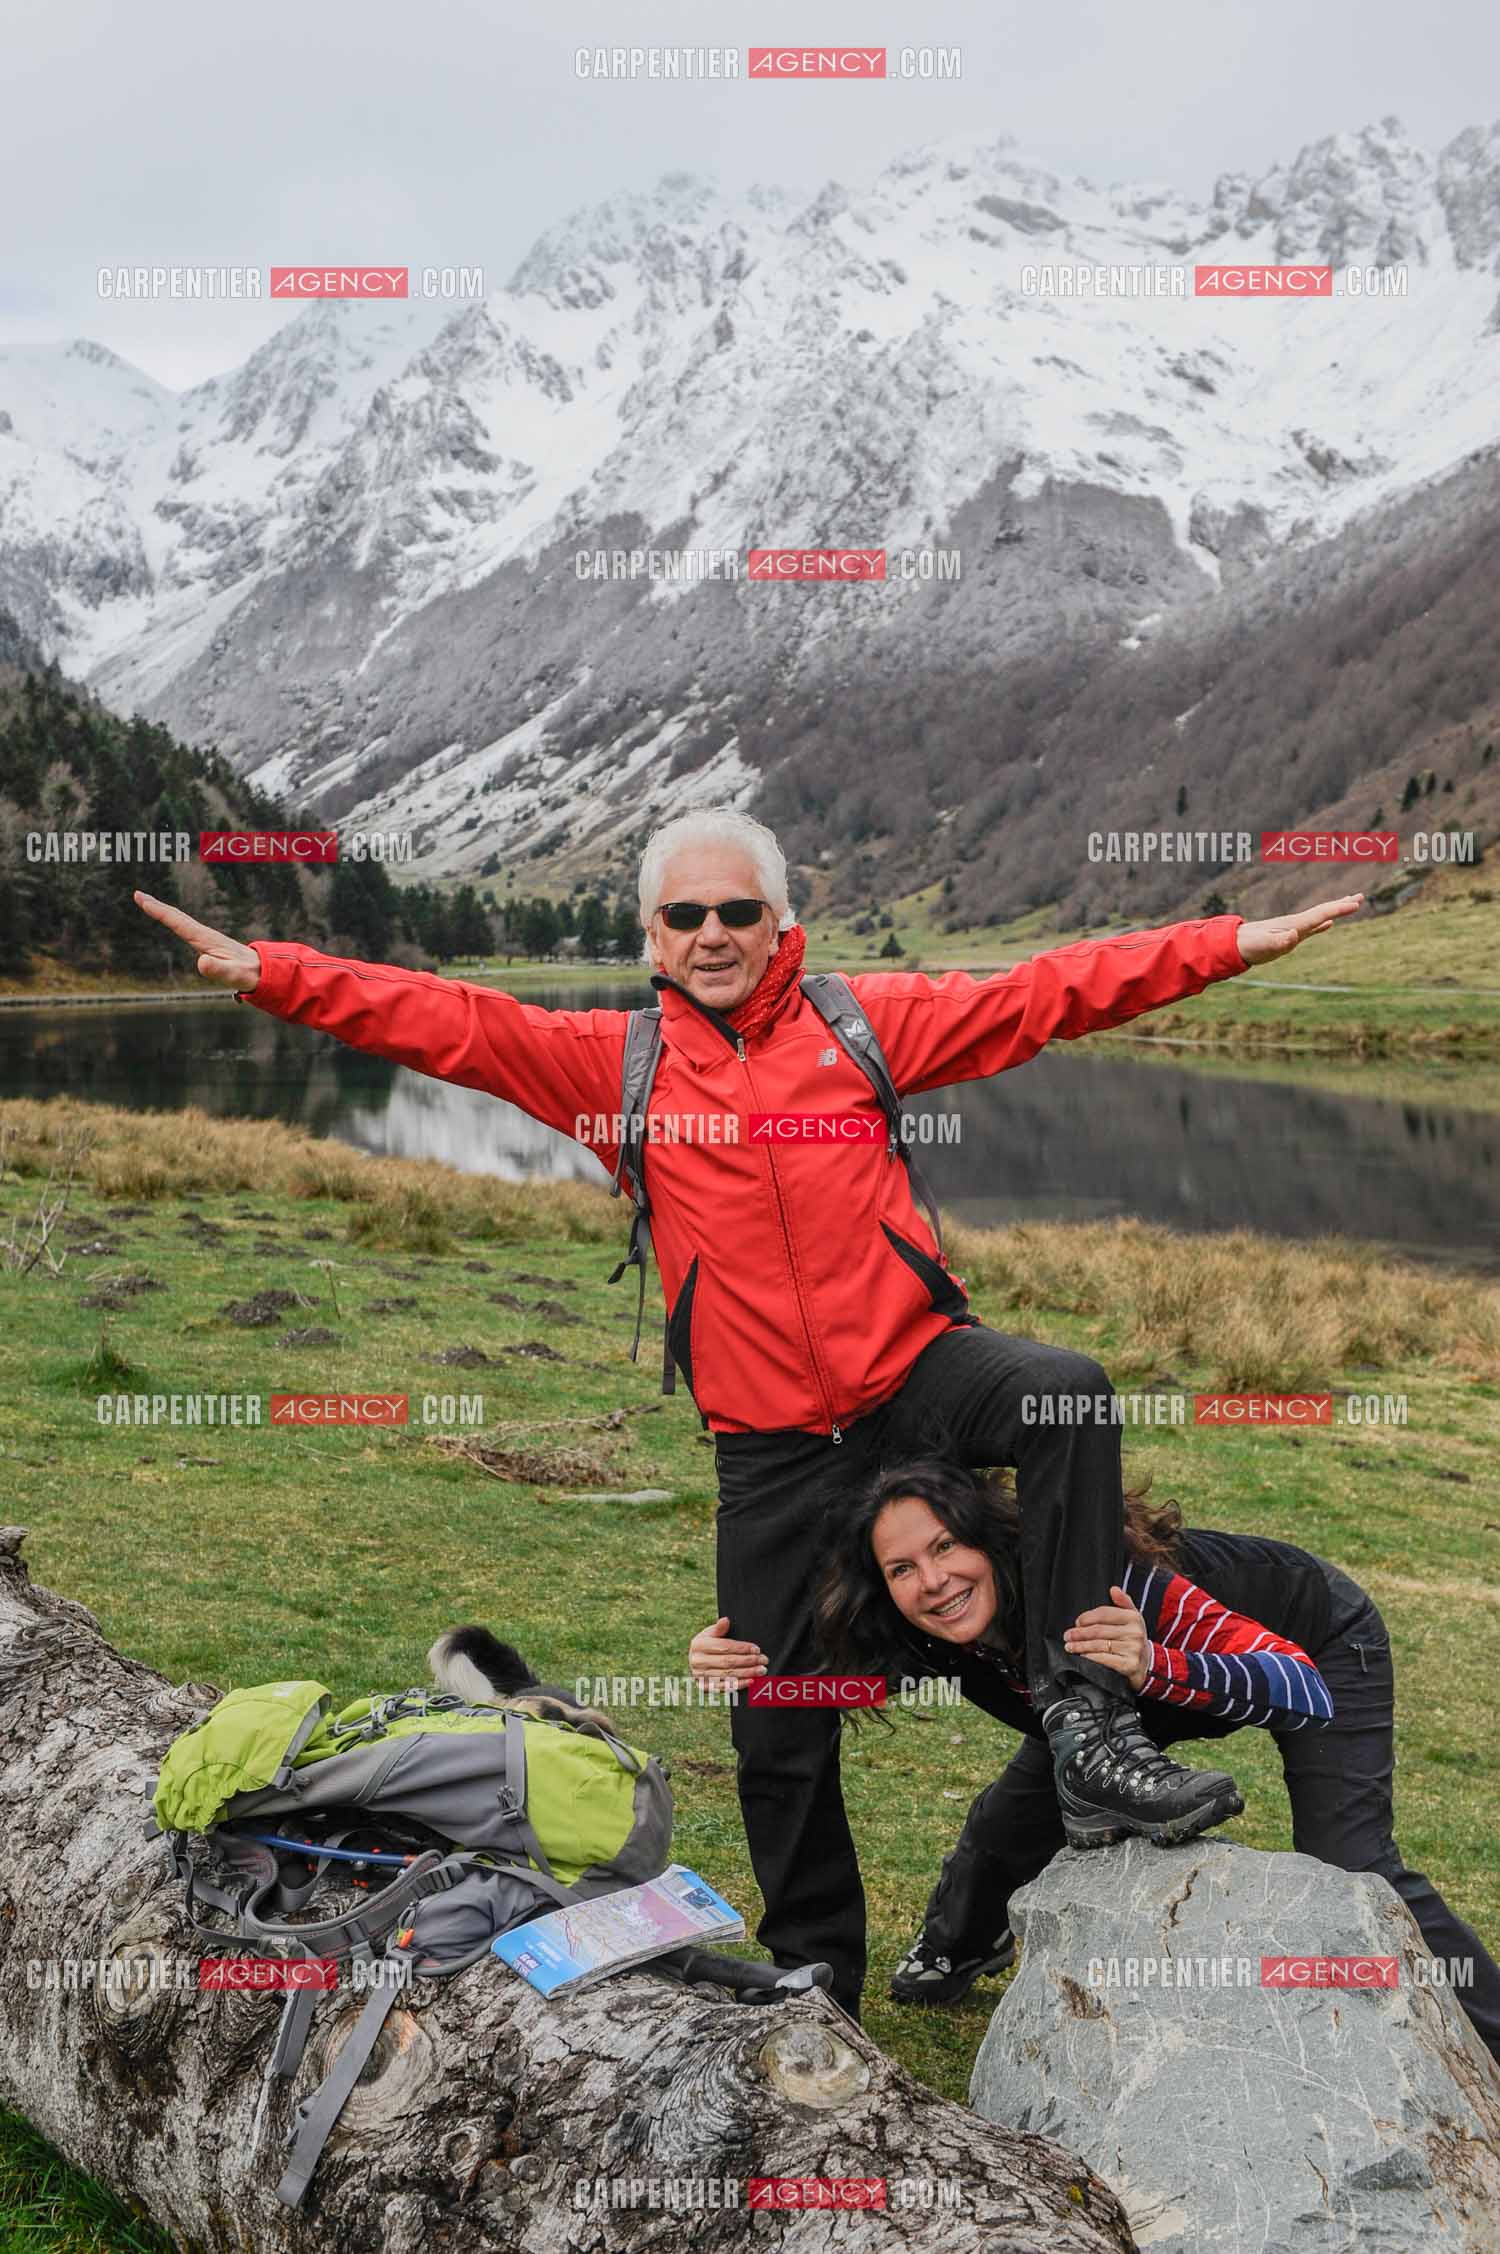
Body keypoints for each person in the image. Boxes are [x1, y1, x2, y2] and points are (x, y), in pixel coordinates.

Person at [133, 810, 1364, 2020]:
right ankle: (817, 1964)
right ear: (653, 937)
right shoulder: (614, 1068)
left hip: (912, 1377)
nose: (714, 932)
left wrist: (1228, 941)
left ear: (785, 926)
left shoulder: (862, 1023)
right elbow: (452, 1022)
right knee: (777, 1710)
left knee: (1067, 1391)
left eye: (739, 911)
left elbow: (1047, 990)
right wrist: (276, 973)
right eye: (687, 914)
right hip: (771, 1442)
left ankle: (1086, 1722)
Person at [691, 1456, 1500, 2067]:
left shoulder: (1114, 1586)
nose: (933, 1581)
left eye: (946, 1548)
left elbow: (1304, 1689)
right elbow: (848, 1690)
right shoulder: (925, 1624)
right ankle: (953, 1950)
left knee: (1356, 1861)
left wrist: (1157, 1670)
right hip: (1117, 1697)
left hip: (1304, 1643)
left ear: (990, 1539)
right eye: (903, 1568)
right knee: (1008, 1826)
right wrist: (741, 1673)